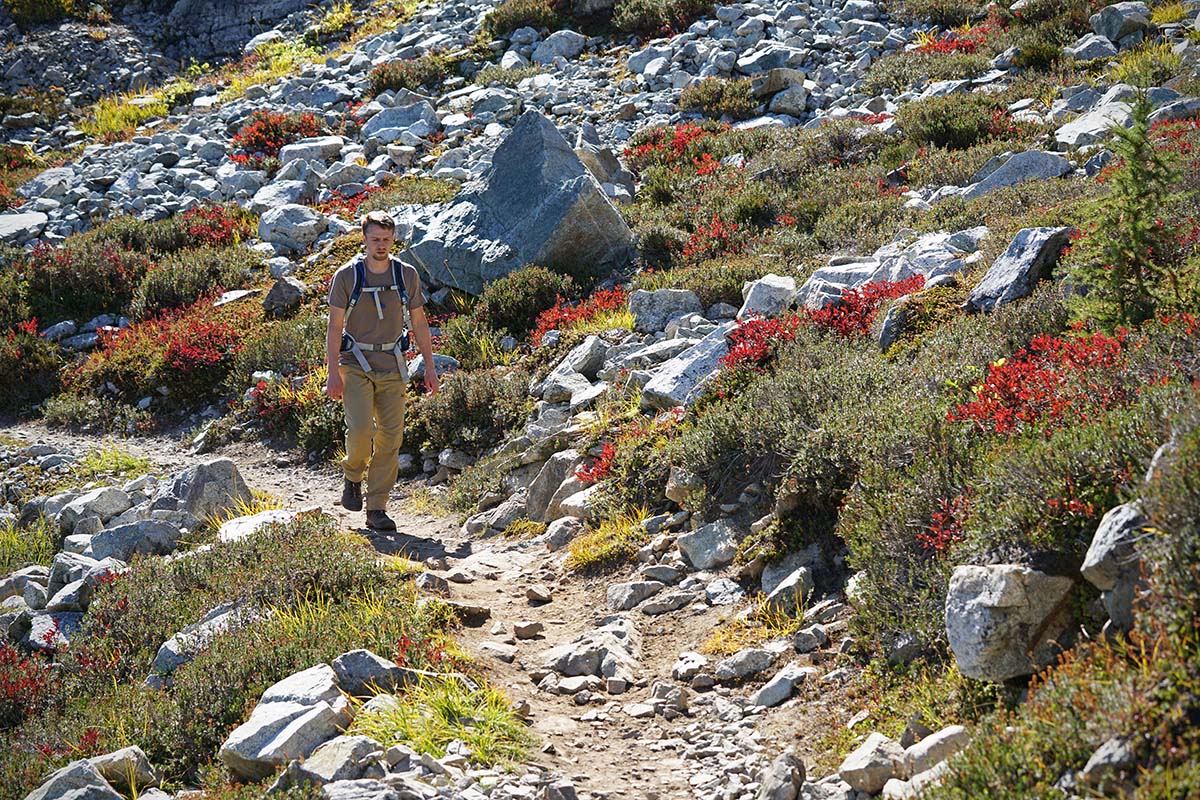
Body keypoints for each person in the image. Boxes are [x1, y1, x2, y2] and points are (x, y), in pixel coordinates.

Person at [326, 210, 439, 531]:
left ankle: (376, 507)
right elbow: (334, 327)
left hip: (393, 364)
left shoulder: (406, 275)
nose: (381, 245)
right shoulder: (347, 276)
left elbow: (419, 321)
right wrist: (332, 372)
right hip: (355, 364)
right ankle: (352, 475)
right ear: (363, 239)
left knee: (391, 438)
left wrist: (429, 367)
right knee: (361, 431)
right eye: (375, 239)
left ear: (393, 240)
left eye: (386, 240)